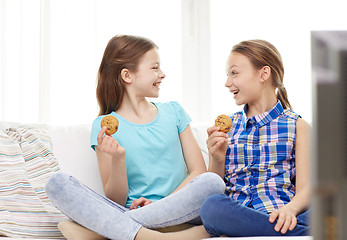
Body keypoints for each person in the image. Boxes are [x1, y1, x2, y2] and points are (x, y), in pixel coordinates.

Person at [45, 35, 225, 240]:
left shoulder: (174, 112)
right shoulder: (103, 126)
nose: (162, 74)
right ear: (127, 76)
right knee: (57, 184)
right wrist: (118, 158)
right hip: (131, 207)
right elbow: (115, 198)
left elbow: (198, 172)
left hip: (181, 209)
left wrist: (159, 205)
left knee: (212, 182)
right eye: (154, 68)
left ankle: (108, 229)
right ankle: (154, 236)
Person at [200, 39, 311, 237]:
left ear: (264, 73)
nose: (227, 83)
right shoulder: (227, 128)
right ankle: (297, 233)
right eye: (227, 75)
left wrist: (290, 210)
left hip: (282, 211)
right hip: (237, 211)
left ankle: (280, 229)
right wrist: (217, 158)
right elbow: (215, 188)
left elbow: (305, 189)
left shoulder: (298, 126)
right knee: (211, 206)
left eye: (234, 73)